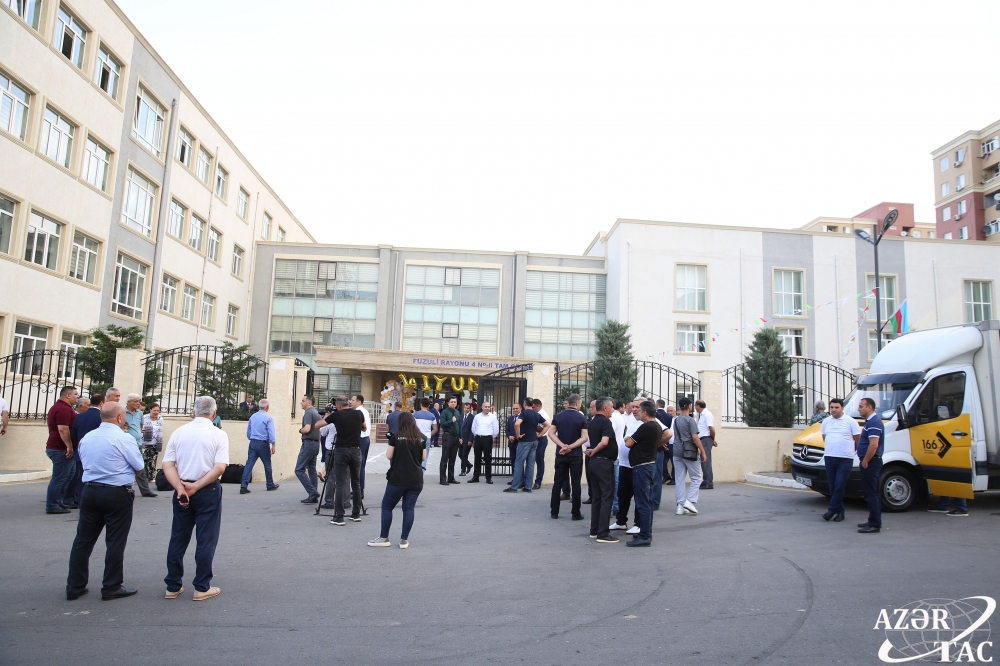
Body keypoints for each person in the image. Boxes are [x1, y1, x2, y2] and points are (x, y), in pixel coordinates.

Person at [66, 402, 145, 601]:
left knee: (83, 540)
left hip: (90, 490)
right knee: (115, 540)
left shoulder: (87, 438)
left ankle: (75, 586)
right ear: (119, 417)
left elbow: (85, 462)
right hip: (116, 492)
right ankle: (111, 585)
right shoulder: (124, 438)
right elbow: (139, 466)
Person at [162, 396, 229, 601]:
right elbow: (220, 467)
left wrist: (180, 487)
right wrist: (197, 486)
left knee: (178, 537)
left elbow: (168, 464)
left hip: (182, 488)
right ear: (214, 413)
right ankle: (201, 586)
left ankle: (173, 585)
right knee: (206, 539)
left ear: (193, 411)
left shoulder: (179, 432)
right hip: (207, 489)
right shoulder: (218, 434)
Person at [368, 412, 427, 549]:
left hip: (398, 478)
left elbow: (389, 456)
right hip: (416, 479)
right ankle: (404, 540)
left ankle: (384, 537)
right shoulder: (421, 438)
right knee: (409, 508)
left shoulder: (395, 437)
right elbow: (423, 458)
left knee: (387, 507)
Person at [624, 400, 672, 547]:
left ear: (645, 412)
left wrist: (629, 438)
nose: (636, 412)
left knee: (643, 502)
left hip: (642, 467)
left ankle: (645, 535)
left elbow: (628, 443)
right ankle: (645, 531)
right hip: (648, 465)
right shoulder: (656, 426)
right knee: (647, 501)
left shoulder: (646, 426)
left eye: (639, 410)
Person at [314, 395, 365, 526]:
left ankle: (339, 516)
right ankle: (356, 514)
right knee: (356, 483)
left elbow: (317, 425)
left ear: (338, 405)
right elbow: (364, 427)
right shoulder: (358, 413)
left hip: (341, 450)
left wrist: (328, 415)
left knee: (340, 483)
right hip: (356, 450)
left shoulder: (337, 415)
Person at [548, 393, 588, 521]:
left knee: (557, 483)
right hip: (575, 455)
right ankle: (576, 513)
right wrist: (570, 447)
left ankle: (554, 511)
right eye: (580, 403)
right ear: (577, 403)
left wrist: (562, 446)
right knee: (576, 483)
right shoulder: (581, 418)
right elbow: (584, 437)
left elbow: (551, 433)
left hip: (561, 454)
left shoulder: (558, 416)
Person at [819, 398, 860, 522]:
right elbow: (824, 437)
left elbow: (857, 439)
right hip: (830, 457)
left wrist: (851, 452)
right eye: (832, 407)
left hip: (845, 458)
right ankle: (840, 512)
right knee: (832, 486)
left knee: (840, 485)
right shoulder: (826, 422)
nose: (834, 410)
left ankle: (831, 510)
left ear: (842, 408)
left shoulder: (851, 422)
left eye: (836, 407)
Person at [611, 399, 647, 535]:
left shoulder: (649, 422)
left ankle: (638, 524)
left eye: (638, 407)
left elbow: (667, 433)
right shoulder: (632, 419)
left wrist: (653, 447)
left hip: (637, 465)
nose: (635, 409)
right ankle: (621, 521)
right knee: (623, 494)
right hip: (624, 464)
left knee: (639, 495)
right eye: (634, 407)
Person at [586, 397, 619, 543]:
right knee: (606, 496)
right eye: (611, 407)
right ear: (605, 408)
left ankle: (595, 530)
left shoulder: (593, 422)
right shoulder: (606, 422)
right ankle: (603, 533)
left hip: (594, 463)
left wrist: (593, 451)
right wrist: (595, 450)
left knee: (597, 497)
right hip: (603, 463)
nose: (613, 409)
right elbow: (605, 442)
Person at [45, 385, 78, 514]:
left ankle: (59, 501)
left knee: (68, 476)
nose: (77, 397)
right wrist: (69, 446)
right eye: (75, 394)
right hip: (60, 448)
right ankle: (52, 504)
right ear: (68, 395)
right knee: (59, 478)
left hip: (61, 448)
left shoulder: (64, 408)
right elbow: (63, 429)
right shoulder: (62, 409)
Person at [672, 398, 707, 516]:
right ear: (688, 406)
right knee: (697, 477)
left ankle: (680, 506)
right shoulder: (690, 420)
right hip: (689, 451)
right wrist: (703, 451)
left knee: (679, 479)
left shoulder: (676, 420)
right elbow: (695, 437)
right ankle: (690, 501)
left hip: (677, 451)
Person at [70, 393, 104, 506]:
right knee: (98, 479)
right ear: (101, 403)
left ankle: (81, 502)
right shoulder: (102, 417)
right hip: (98, 452)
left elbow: (74, 436)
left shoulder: (79, 416)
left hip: (81, 452)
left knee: (82, 478)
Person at [857, 397, 884, 534]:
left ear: (870, 407)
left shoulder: (874, 422)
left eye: (861, 406)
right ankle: (873, 520)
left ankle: (874, 524)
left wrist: (866, 460)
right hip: (871, 461)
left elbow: (873, 445)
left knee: (871, 493)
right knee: (872, 492)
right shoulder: (871, 422)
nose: (858, 409)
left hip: (871, 462)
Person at [507, 399, 548, 493]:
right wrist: (540, 435)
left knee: (519, 463)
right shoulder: (536, 414)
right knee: (530, 464)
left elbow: (517, 424)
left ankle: (514, 487)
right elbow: (547, 425)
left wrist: (518, 435)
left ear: (524, 404)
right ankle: (528, 487)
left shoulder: (524, 413)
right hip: (534, 441)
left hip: (524, 441)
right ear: (532, 404)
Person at [240, 399, 279, 493]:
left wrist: (251, 438)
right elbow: (271, 433)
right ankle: (270, 484)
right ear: (267, 407)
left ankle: (243, 486)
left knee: (249, 464)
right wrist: (273, 444)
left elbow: (248, 431)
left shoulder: (253, 416)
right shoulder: (268, 418)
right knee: (267, 464)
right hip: (263, 443)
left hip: (253, 442)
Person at [124, 394, 156, 498]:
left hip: (137, 444)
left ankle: (145, 491)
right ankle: (124, 489)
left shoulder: (139, 413)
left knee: (140, 466)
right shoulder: (122, 412)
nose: (138, 403)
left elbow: (140, 426)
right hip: (126, 444)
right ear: (129, 402)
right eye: (136, 401)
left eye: (139, 401)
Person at [295, 395, 324, 503]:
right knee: (312, 469)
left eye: (303, 401)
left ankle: (312, 492)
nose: (301, 403)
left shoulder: (308, 413)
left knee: (299, 469)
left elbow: (307, 429)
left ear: (309, 402)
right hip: (316, 443)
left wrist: (300, 430)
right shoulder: (316, 413)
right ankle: (313, 494)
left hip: (308, 443)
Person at [469, 402, 498, 484]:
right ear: (482, 407)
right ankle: (476, 477)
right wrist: (477, 435)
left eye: (489, 407)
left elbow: (496, 429)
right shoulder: (477, 416)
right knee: (477, 458)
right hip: (478, 438)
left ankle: (488, 478)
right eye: (486, 406)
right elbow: (473, 428)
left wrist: (490, 437)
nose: (487, 408)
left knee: (487, 458)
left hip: (487, 439)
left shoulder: (493, 417)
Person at [351, 394, 372, 497]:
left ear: (359, 402)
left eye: (353, 400)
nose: (351, 402)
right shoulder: (363, 411)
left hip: (361, 439)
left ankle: (359, 491)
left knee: (359, 466)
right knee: (360, 466)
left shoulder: (359, 412)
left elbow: (361, 427)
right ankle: (358, 490)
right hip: (364, 439)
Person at [140, 403, 164, 493]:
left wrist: (159, 442)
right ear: (150, 410)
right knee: (145, 459)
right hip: (145, 442)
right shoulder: (144, 417)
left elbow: (160, 430)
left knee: (153, 460)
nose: (156, 412)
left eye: (158, 410)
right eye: (154, 410)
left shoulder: (160, 419)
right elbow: (141, 428)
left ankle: (151, 477)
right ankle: (143, 477)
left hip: (155, 442)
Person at [438, 395, 462, 485]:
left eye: (455, 402)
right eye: (451, 402)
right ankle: (443, 479)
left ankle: (451, 478)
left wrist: (461, 437)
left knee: (452, 459)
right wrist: (451, 421)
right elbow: (442, 424)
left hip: (456, 437)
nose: (453, 403)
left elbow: (459, 425)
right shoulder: (444, 412)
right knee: (445, 459)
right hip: (448, 436)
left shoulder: (457, 412)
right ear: (448, 403)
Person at [609, 400, 627, 514]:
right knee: (615, 481)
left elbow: (610, 435)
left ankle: (611, 507)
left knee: (612, 481)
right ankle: (615, 506)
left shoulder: (613, 418)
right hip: (618, 452)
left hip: (613, 453)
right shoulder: (620, 416)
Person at [694, 400, 716, 490]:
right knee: (704, 460)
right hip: (703, 439)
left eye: (695, 406)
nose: (695, 408)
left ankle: (708, 482)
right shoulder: (703, 414)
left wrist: (712, 439)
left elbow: (712, 429)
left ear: (698, 406)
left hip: (706, 439)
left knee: (705, 460)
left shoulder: (707, 414)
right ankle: (706, 480)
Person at [531, 399, 552, 490]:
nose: (532, 409)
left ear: (538, 406)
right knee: (531, 460)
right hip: (534, 438)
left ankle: (538, 481)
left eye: (533, 407)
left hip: (541, 439)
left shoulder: (543, 415)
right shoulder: (536, 414)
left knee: (539, 460)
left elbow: (542, 428)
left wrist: (531, 425)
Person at [413, 398, 438, 470]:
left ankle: (415, 472)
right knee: (425, 457)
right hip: (427, 438)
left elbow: (411, 426)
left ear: (421, 404)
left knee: (415, 456)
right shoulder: (432, 416)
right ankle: (421, 473)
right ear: (429, 405)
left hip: (416, 437)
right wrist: (429, 434)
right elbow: (435, 429)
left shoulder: (415, 414)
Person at [655, 399, 673, 487]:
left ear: (656, 405)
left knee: (663, 461)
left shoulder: (655, 415)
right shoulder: (669, 417)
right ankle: (671, 477)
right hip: (668, 440)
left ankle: (665, 476)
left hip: (658, 441)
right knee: (671, 460)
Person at [506, 402, 521, 482]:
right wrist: (509, 436)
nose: (515, 410)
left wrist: (515, 437)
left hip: (519, 443)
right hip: (511, 443)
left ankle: (520, 480)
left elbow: (522, 429)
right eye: (514, 408)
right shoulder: (510, 418)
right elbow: (507, 429)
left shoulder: (522, 418)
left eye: (516, 408)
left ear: (520, 409)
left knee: (519, 461)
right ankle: (514, 479)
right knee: (513, 461)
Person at [459, 402, 474, 476]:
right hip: (461, 439)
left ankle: (463, 470)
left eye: (468, 408)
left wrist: (470, 440)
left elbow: (472, 430)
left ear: (470, 409)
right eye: (465, 408)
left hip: (468, 439)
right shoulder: (461, 416)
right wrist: (459, 437)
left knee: (464, 455)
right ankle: (469, 465)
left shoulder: (472, 417)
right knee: (460, 454)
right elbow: (459, 427)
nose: (466, 409)